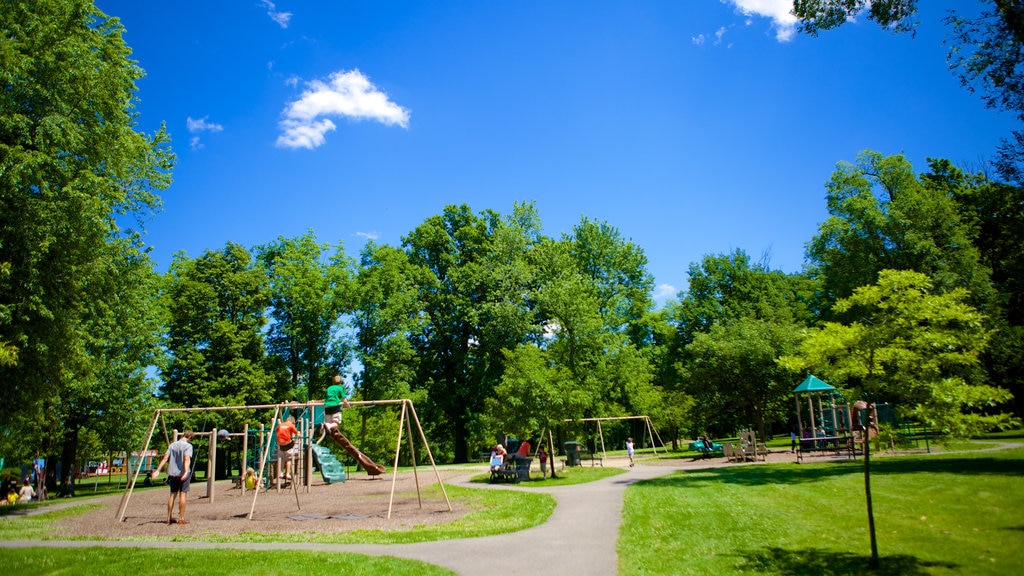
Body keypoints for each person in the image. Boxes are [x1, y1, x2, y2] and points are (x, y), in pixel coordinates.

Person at [151, 430, 194, 525]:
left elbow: (165, 458)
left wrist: (158, 470)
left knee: (172, 495)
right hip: (183, 473)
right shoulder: (188, 446)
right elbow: (187, 459)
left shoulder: (172, 445)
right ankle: (181, 519)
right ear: (190, 438)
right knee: (182, 494)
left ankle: (168, 518)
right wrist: (186, 472)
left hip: (172, 473)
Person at [277, 416, 299, 481]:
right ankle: (287, 474)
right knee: (289, 460)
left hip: (280, 444)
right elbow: (297, 433)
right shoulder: (291, 425)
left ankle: (280, 473)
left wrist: (279, 423)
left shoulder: (281, 425)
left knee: (282, 459)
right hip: (287, 443)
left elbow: (277, 430)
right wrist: (299, 435)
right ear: (293, 422)